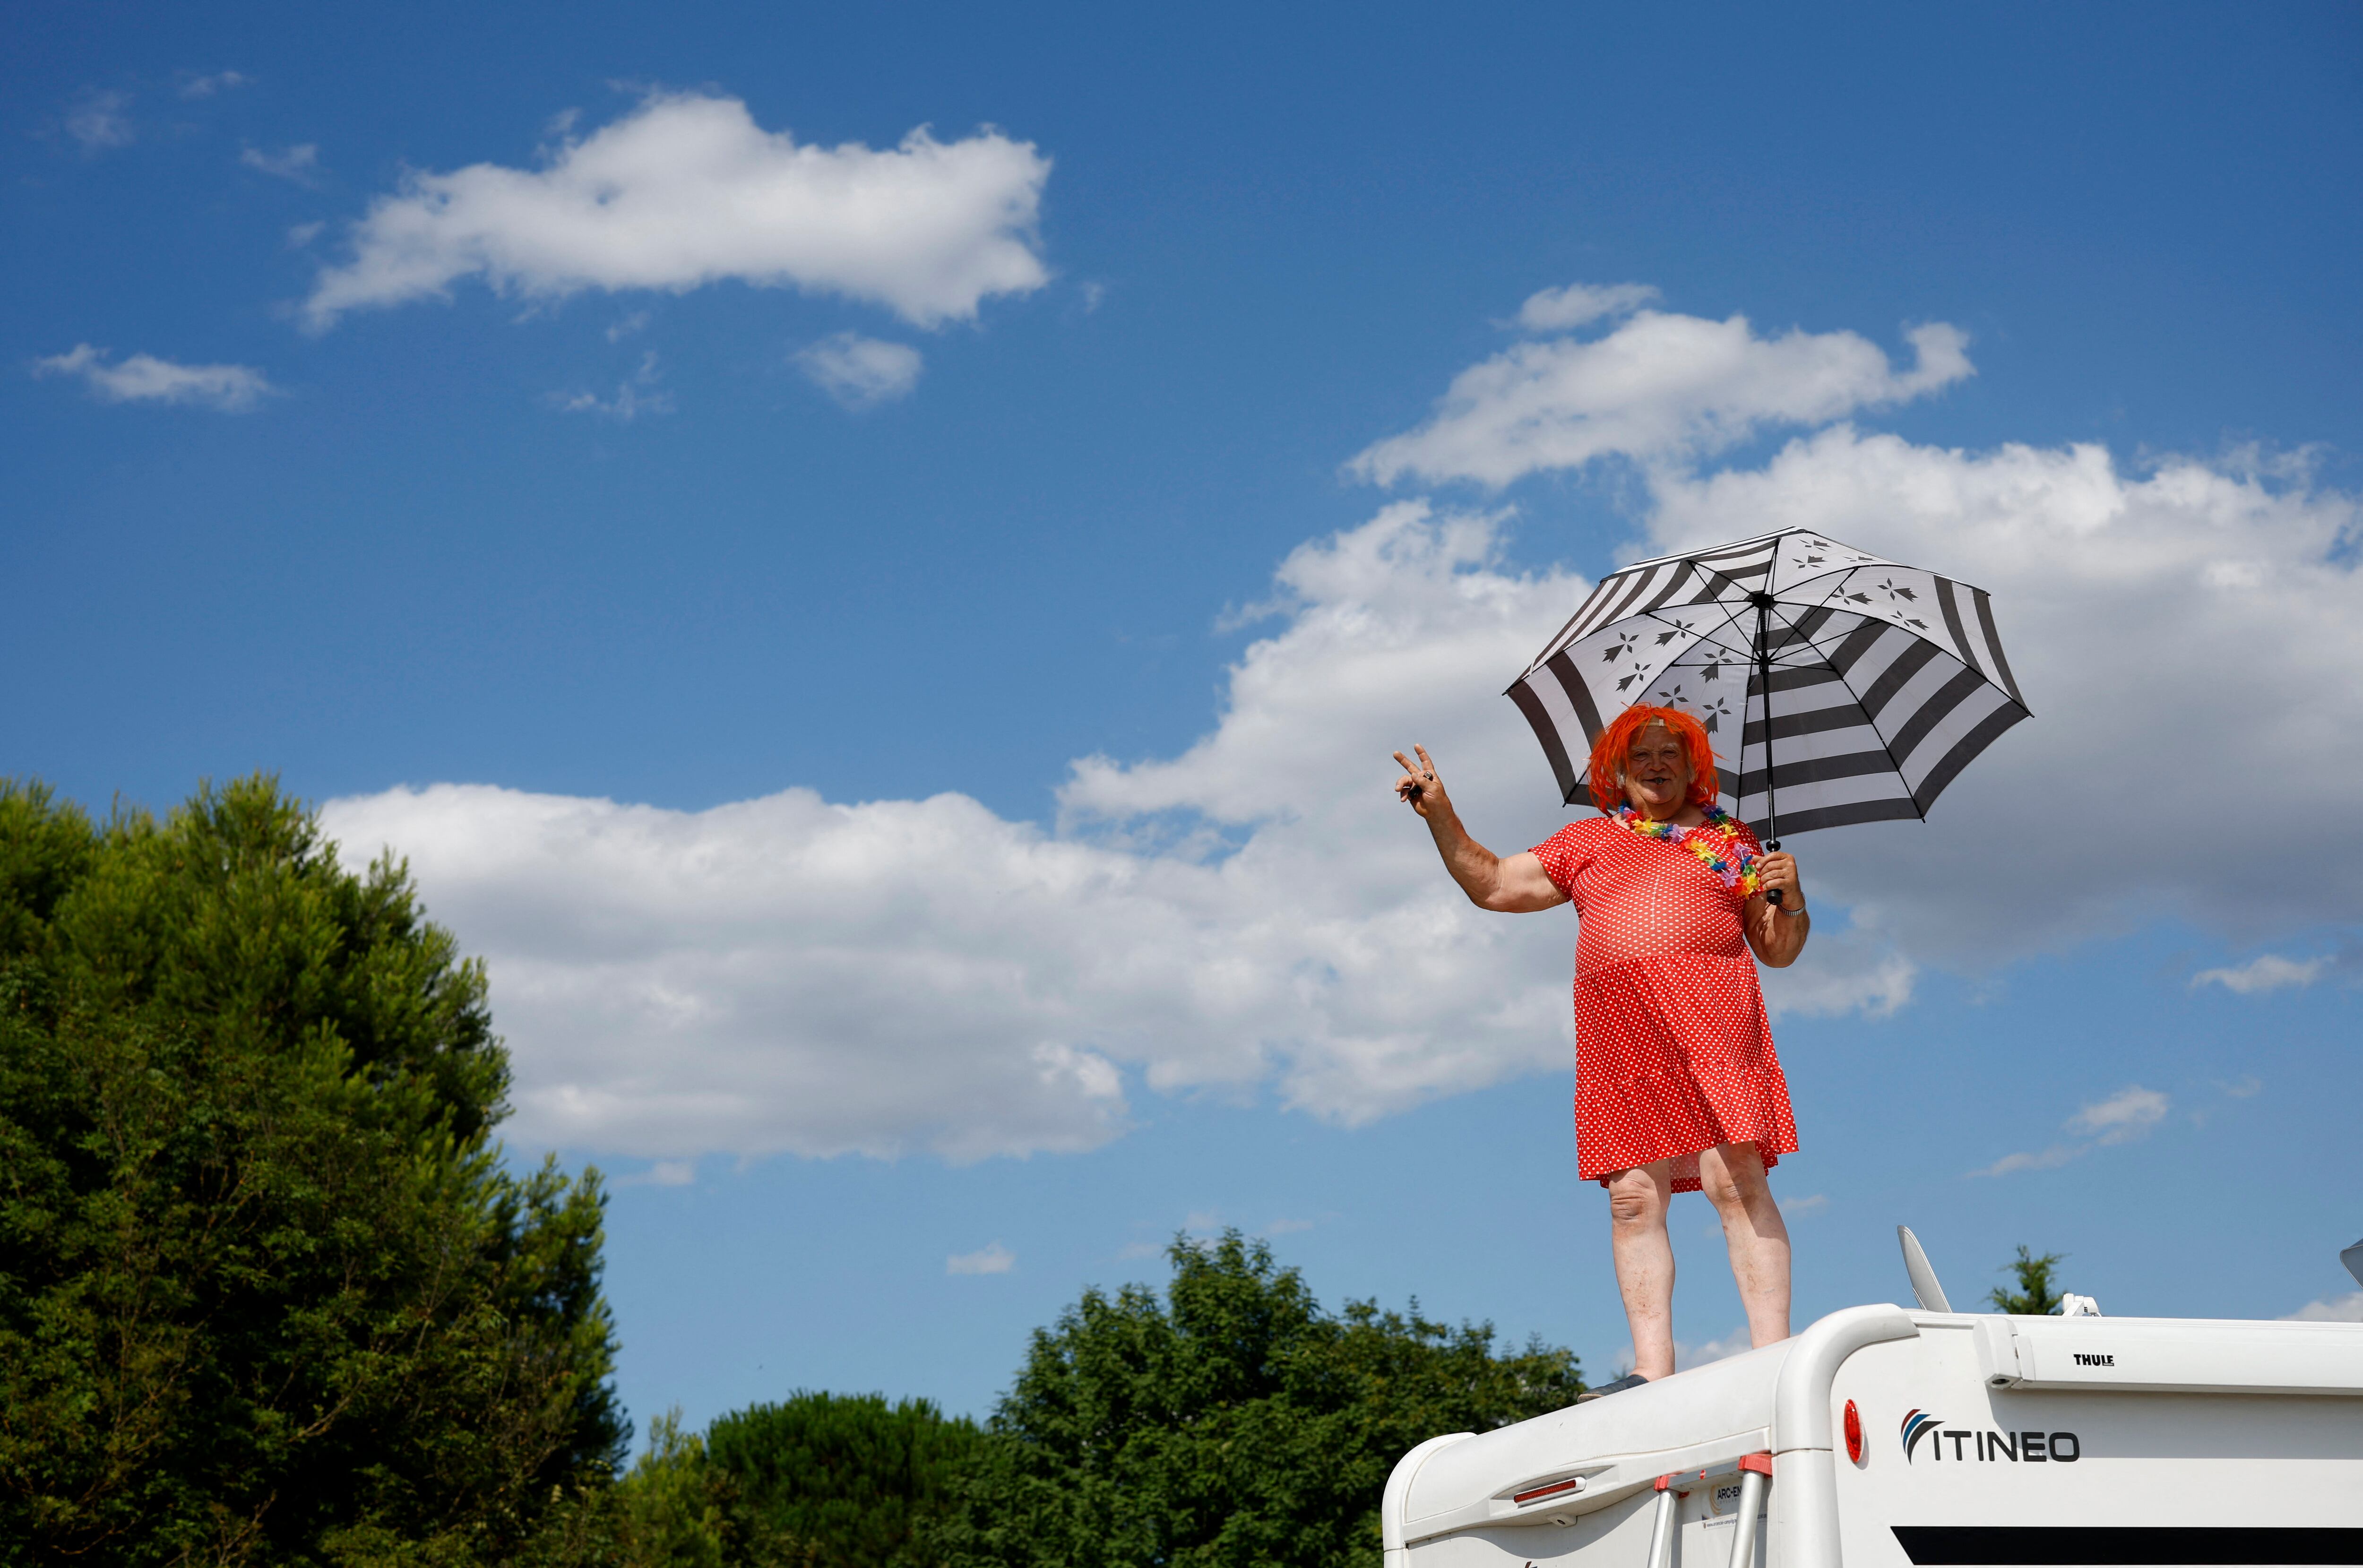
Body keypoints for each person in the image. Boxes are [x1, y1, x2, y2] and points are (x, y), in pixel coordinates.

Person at [1391, 706, 1809, 1399]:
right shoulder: (1589, 839)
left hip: (1712, 1016)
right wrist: (1441, 813)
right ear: (1616, 769)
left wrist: (1789, 897)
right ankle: (1650, 1369)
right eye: (1639, 755)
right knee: (1632, 1198)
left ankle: (1777, 1355)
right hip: (1622, 1028)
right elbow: (1493, 883)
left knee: (1735, 1180)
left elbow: (1778, 950)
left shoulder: (1734, 841)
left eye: (1668, 754)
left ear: (1693, 765)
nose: (1655, 766)